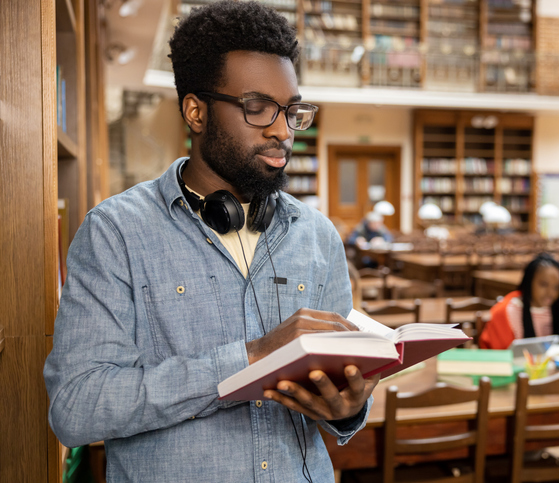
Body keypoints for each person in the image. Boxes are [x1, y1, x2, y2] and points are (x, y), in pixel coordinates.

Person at [44, 2, 378, 481]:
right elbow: (77, 408)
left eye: (291, 111)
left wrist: (346, 409)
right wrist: (250, 358)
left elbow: (336, 398)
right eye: (257, 107)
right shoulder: (114, 233)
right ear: (196, 112)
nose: (282, 131)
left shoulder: (317, 236)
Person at [479, 253, 559, 349]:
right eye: (543, 284)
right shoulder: (505, 312)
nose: (550, 293)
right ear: (529, 281)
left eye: (556, 287)